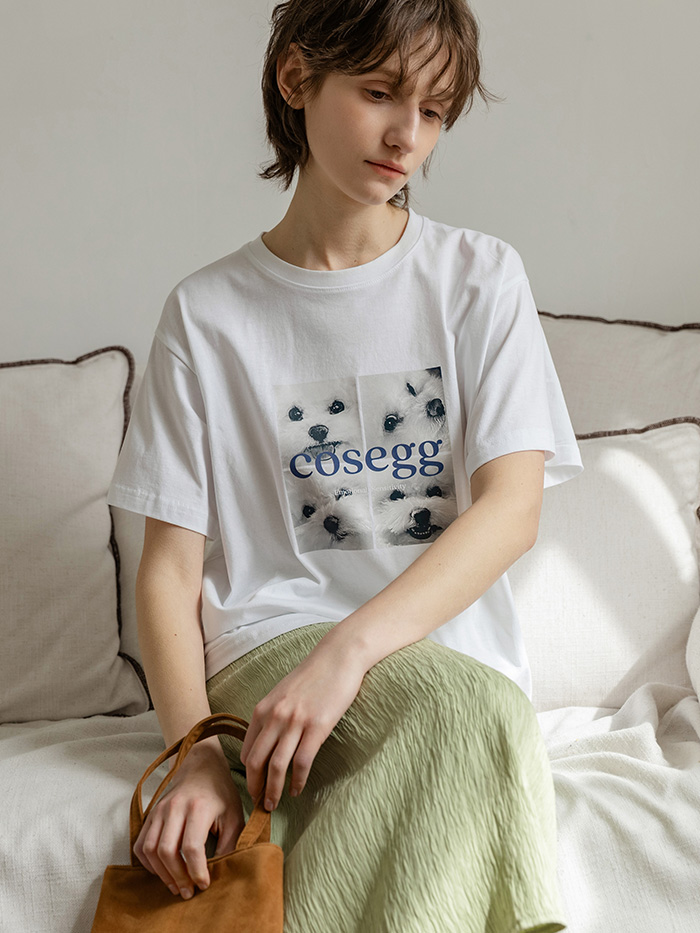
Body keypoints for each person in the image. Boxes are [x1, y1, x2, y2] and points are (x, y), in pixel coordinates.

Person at [106, 1, 583, 930]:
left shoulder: (480, 278)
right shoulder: (208, 314)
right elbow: (167, 570)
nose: (408, 136)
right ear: (297, 78)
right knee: (464, 714)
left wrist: (350, 651)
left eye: (434, 111)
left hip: (442, 666)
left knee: (472, 711)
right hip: (268, 651)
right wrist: (194, 751)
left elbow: (512, 510)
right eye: (379, 93)